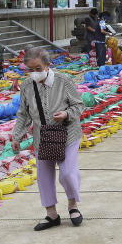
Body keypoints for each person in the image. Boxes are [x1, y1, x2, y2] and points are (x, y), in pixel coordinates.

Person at [10, 47, 85, 231]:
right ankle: (51, 214)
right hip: (42, 137)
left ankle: (73, 206)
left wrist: (67, 114)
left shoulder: (63, 81)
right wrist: (16, 136)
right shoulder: (27, 86)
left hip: (67, 134)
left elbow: (79, 105)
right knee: (44, 176)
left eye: (38, 68)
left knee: (67, 173)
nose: (34, 73)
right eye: (30, 69)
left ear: (47, 65)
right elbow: (24, 114)